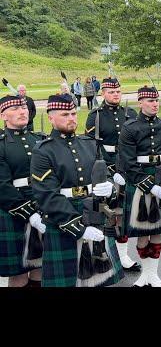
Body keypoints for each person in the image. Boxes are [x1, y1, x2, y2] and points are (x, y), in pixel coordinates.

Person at [31, 93, 124, 287]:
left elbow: (103, 173)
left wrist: (109, 189)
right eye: (65, 114)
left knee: (98, 281)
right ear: (50, 117)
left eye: (73, 113)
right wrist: (79, 228)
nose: (71, 118)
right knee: (66, 282)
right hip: (63, 220)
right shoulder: (43, 150)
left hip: (95, 214)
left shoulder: (89, 143)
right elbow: (48, 196)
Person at [119, 85, 161, 287]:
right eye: (150, 101)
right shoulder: (130, 127)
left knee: (157, 231)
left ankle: (153, 274)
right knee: (143, 232)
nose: (155, 104)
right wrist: (148, 185)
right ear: (140, 102)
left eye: (156, 100)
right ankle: (145, 273)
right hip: (139, 182)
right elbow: (128, 162)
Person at [85, 77, 140, 272]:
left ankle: (123, 256)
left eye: (117, 91)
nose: (115, 95)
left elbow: (137, 142)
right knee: (107, 215)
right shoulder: (96, 116)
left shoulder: (130, 113)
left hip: (128, 169)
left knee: (122, 215)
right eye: (111, 92)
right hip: (106, 172)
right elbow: (92, 145)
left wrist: (127, 168)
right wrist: (110, 170)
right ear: (103, 93)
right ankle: (106, 254)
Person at [0, 95, 47, 286]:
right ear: (3, 115)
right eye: (15, 109)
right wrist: (29, 213)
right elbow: (2, 186)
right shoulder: (1, 144)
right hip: (12, 212)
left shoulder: (41, 140)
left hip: (43, 206)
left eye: (25, 108)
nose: (22, 112)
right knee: (18, 272)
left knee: (41, 266)